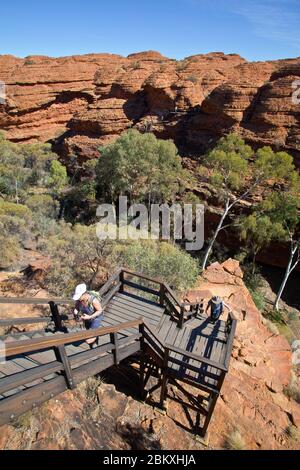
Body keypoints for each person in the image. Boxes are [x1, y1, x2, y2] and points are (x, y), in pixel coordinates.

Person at [72, 283, 103, 348]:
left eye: (79, 296)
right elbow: (77, 307)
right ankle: (94, 343)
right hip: (87, 319)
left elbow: (100, 310)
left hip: (95, 319)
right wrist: (76, 311)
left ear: (84, 294)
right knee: (90, 336)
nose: (78, 298)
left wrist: (90, 316)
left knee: (88, 340)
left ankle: (96, 335)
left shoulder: (93, 300)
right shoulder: (80, 300)